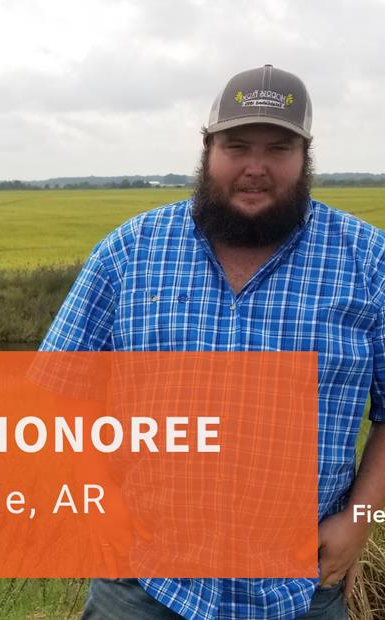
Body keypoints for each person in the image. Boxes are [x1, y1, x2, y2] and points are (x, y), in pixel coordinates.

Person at [38, 65, 385, 619]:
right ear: (207, 149)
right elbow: (61, 388)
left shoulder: (370, 262)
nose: (255, 167)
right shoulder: (129, 252)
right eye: (237, 145)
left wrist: (364, 522)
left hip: (302, 591)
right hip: (140, 585)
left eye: (278, 148)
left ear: (306, 156)